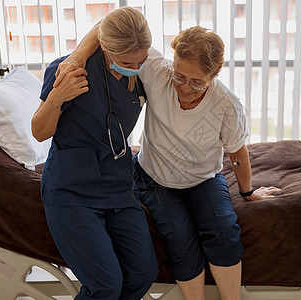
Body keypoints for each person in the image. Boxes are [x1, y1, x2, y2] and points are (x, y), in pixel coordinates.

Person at [55, 24, 280, 300]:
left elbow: (237, 154)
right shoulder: (156, 70)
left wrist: (247, 192)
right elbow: (109, 25)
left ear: (214, 76)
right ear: (173, 64)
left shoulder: (226, 105)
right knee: (179, 233)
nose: (185, 88)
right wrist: (78, 55)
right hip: (154, 179)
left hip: (203, 180)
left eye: (197, 82)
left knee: (223, 229)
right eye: (180, 76)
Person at [31, 7, 158, 300]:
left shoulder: (142, 69)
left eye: (142, 59)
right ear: (105, 48)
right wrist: (57, 97)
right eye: (128, 62)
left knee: (144, 272)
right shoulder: (70, 70)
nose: (136, 66)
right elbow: (39, 131)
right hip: (72, 190)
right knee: (105, 285)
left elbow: (107, 24)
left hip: (116, 184)